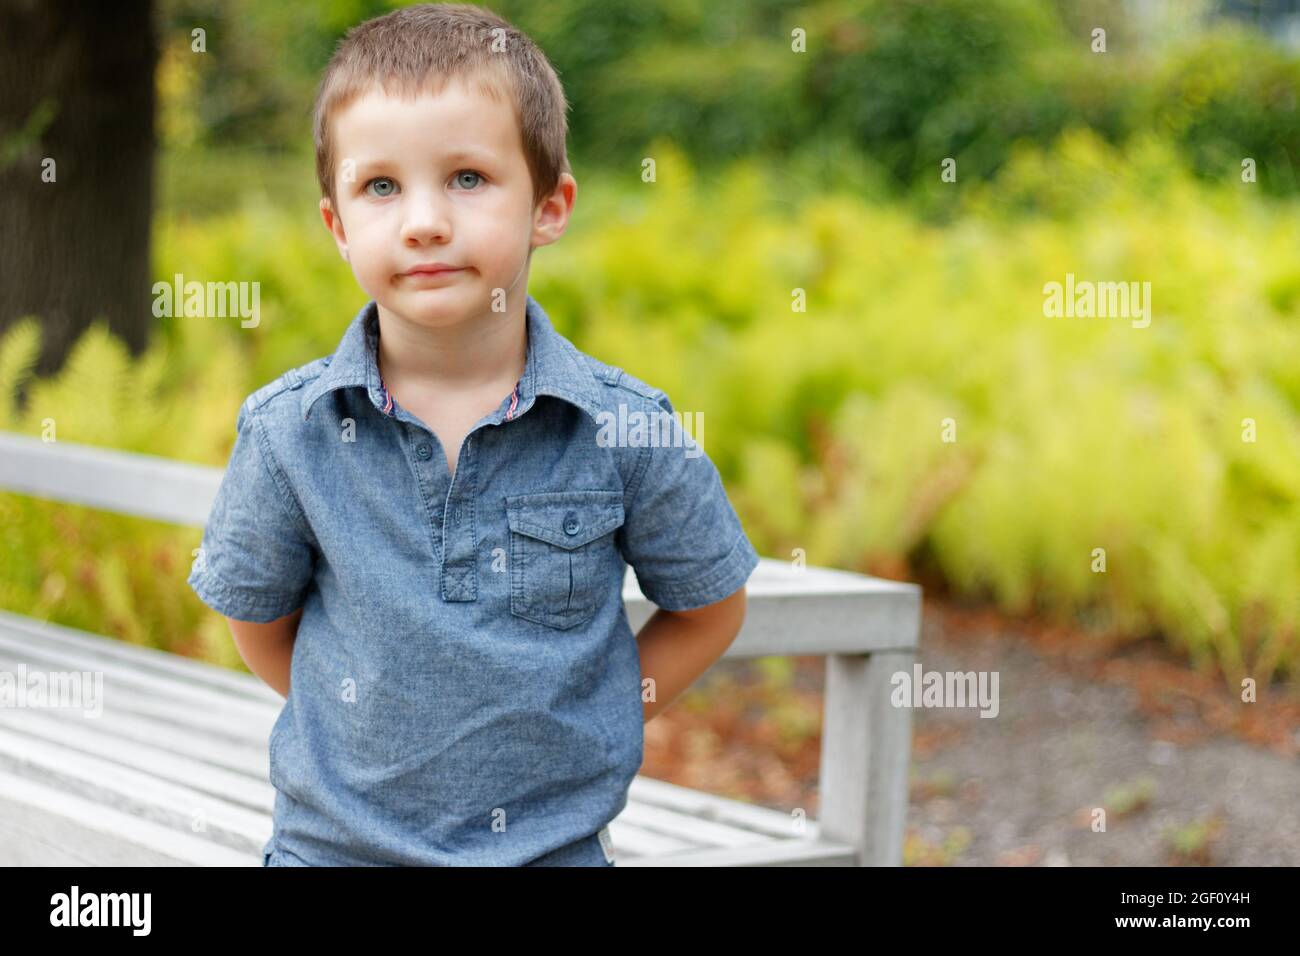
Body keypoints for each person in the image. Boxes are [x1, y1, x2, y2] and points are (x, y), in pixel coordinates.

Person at [188, 2, 759, 867]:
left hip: (550, 852)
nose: (423, 221)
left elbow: (710, 607)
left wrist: (602, 706)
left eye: (466, 178)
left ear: (550, 206)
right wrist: (357, 714)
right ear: (338, 225)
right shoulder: (290, 433)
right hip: (333, 850)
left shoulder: (626, 428)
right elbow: (261, 624)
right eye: (381, 186)